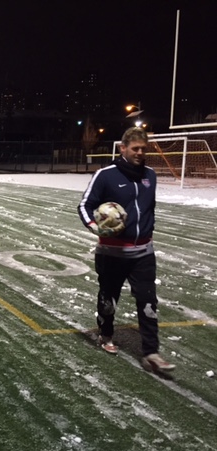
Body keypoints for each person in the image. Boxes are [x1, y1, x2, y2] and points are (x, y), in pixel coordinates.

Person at [77, 126, 175, 373]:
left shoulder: (150, 175)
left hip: (143, 252)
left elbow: (148, 209)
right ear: (123, 149)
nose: (140, 153)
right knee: (109, 300)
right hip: (112, 253)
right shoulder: (105, 175)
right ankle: (106, 334)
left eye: (144, 148)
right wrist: (94, 226)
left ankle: (151, 352)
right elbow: (84, 205)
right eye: (135, 149)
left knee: (148, 301)